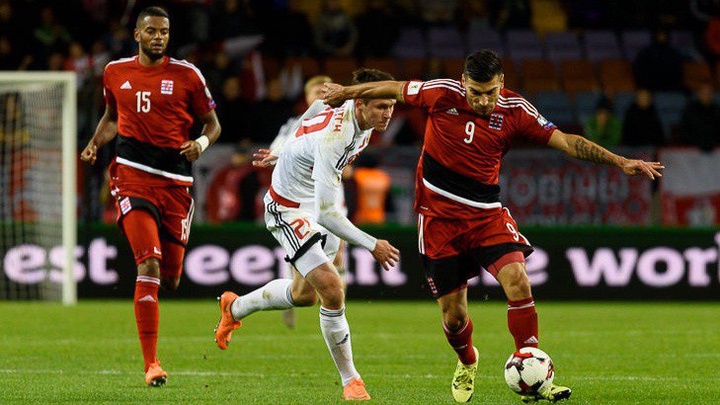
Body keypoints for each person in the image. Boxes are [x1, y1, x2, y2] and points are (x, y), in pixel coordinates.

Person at [323, 49, 664, 403]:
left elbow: (566, 142)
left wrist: (620, 161)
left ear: (502, 82)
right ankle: (468, 360)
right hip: (439, 221)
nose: (484, 100)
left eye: (491, 92)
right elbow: (394, 88)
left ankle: (534, 372)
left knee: (518, 280)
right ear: (463, 82)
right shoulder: (441, 92)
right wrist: (345, 93)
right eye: (476, 92)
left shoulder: (516, 110)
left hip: (486, 215)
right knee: (454, 318)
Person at [214, 68, 400, 401]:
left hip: (313, 206)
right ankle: (351, 381)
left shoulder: (361, 122)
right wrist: (373, 244)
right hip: (288, 208)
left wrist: (285, 149)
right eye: (379, 107)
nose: (387, 114)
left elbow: (312, 111)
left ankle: (235, 307)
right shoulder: (336, 137)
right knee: (332, 288)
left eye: (390, 106)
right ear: (360, 105)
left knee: (305, 295)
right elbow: (329, 214)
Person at [80, 6, 221, 387]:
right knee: (150, 265)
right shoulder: (115, 72)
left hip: (176, 183)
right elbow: (112, 117)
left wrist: (202, 143)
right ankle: (152, 364)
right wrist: (95, 144)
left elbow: (213, 123)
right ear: (138, 35)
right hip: (131, 177)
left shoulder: (187, 75)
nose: (159, 37)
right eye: (152, 31)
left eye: (165, 31)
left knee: (171, 279)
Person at [269, 74, 352, 329]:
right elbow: (276, 153)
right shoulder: (294, 125)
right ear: (306, 97)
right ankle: (290, 301)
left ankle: (336, 314)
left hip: (333, 200)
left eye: (325, 90)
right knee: (301, 257)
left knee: (337, 259)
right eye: (315, 90)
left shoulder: (345, 122)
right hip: (302, 202)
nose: (320, 94)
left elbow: (347, 167)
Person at [678, 82, 720, 151]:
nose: (706, 95)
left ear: (713, 94)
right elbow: (685, 131)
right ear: (698, 93)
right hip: (693, 149)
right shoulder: (690, 110)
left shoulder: (717, 110)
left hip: (715, 149)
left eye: (709, 92)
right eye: (704, 92)